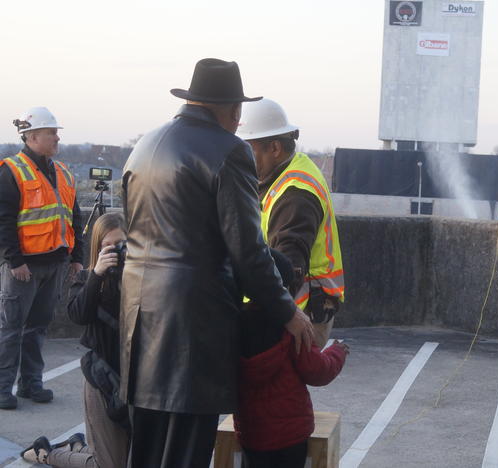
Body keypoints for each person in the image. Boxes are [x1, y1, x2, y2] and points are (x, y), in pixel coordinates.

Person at [120, 58, 314, 468]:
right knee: (186, 450)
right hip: (193, 328)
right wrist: (287, 310)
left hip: (139, 318)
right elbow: (248, 251)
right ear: (233, 109)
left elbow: (133, 230)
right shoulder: (228, 152)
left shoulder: (144, 145)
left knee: (146, 448)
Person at [20, 212, 129, 467]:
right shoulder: (87, 278)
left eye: (121, 244)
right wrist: (98, 274)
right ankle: (46, 454)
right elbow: (79, 315)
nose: (115, 252)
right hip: (101, 378)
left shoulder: (138, 277)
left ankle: (76, 445)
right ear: (97, 248)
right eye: (107, 246)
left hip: (132, 382)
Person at [238, 98, 345, 347]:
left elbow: (288, 268)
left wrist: (264, 316)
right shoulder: (278, 176)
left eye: (247, 148)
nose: (241, 156)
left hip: (299, 313)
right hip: (291, 308)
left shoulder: (296, 194)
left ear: (274, 148)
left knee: (276, 386)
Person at [0, 107, 83, 410]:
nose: (57, 137)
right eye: (51, 132)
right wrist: (14, 261)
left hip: (55, 263)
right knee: (11, 328)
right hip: (25, 267)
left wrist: (76, 257)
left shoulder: (61, 172)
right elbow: (3, 221)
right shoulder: (12, 170)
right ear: (32, 136)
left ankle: (31, 383)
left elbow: (72, 218)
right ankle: (2, 388)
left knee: (37, 327)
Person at [236, 248, 348, 468]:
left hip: (252, 432)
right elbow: (318, 371)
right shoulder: (293, 326)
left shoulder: (236, 323)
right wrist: (338, 352)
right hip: (292, 434)